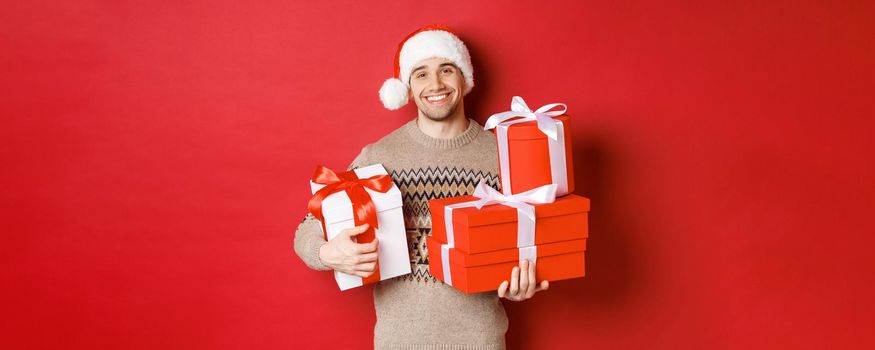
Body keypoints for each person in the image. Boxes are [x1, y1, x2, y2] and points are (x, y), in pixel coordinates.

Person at [293, 24, 548, 350]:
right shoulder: (379, 156)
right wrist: (328, 252)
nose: (436, 84)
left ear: (464, 79)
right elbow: (307, 230)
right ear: (408, 89)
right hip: (398, 342)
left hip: (480, 341)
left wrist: (524, 280)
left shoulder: (503, 156)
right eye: (421, 74)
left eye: (446, 69)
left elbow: (534, 243)